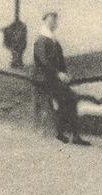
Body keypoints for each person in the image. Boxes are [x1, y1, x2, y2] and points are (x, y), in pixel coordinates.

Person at [31, 11, 89, 146]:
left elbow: (61, 62)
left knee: (70, 99)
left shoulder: (54, 41)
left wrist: (65, 74)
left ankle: (71, 135)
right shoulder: (41, 40)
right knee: (68, 99)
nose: (53, 23)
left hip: (52, 79)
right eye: (50, 20)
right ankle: (63, 133)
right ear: (44, 21)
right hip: (42, 81)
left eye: (55, 21)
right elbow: (44, 62)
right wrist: (58, 74)